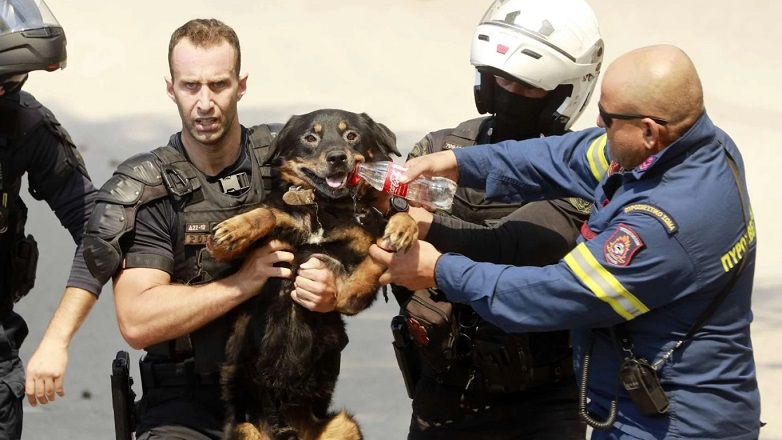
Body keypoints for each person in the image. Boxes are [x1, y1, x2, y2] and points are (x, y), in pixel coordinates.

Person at [371, 44, 763, 439]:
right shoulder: (694, 145)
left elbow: (553, 294)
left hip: (675, 423)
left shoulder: (664, 227)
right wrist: (459, 164)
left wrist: (438, 269)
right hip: (655, 403)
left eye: (608, 119)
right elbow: (563, 156)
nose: (597, 122)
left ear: (648, 130)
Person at [82, 19, 339, 439]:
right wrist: (243, 282)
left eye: (218, 85)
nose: (205, 102)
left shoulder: (287, 161)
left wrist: (334, 290)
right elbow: (137, 321)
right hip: (184, 405)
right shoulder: (152, 184)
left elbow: (363, 230)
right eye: (191, 86)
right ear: (171, 88)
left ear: (241, 85)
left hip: (286, 397)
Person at [386, 0, 604, 438]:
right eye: (500, 79)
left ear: (567, 90)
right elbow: (390, 233)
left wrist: (429, 228)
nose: (508, 94)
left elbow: (521, 246)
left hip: (543, 404)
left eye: (528, 87)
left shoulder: (582, 167)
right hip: (444, 394)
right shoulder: (439, 147)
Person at [1, 0, 104, 437]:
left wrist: (58, 338)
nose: (6, 91)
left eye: (11, 82)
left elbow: (98, 227)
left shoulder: (21, 123)